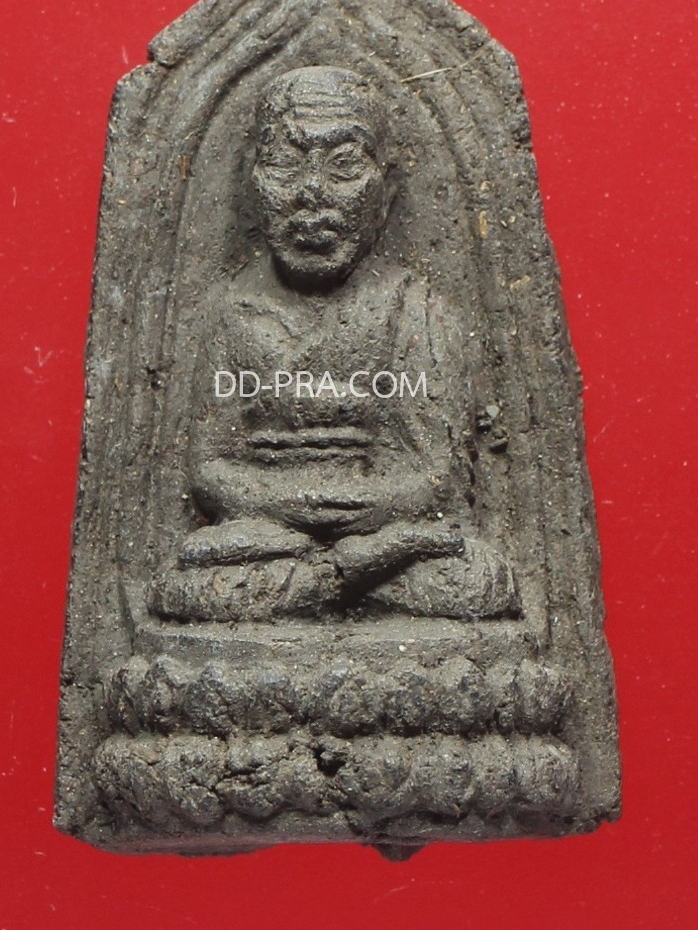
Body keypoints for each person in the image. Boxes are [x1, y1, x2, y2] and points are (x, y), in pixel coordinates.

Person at [148, 66, 517, 622]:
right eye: (285, 164)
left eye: (343, 165)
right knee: (188, 583)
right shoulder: (230, 310)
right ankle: (341, 576)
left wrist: (366, 507)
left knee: (479, 584)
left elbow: (437, 476)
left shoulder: (416, 309)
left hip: (382, 532)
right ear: (253, 183)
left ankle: (327, 578)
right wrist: (290, 506)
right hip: (266, 535)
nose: (312, 194)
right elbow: (210, 468)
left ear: (386, 191)